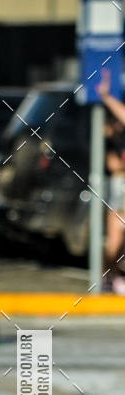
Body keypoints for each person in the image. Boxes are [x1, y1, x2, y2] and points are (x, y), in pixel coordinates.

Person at [96, 68, 125, 291]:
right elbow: (114, 166)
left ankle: (110, 276)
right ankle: (108, 276)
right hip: (120, 187)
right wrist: (106, 97)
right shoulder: (110, 140)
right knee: (115, 236)